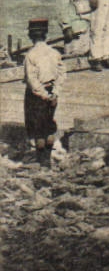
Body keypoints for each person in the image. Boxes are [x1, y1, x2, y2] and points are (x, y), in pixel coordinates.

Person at [21, 19, 62, 165]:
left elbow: (32, 82)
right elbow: (61, 75)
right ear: (46, 35)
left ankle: (41, 161)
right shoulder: (54, 53)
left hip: (36, 95)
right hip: (51, 91)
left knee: (37, 129)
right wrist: (54, 94)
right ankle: (48, 158)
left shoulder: (30, 55)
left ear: (31, 36)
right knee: (49, 125)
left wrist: (44, 95)